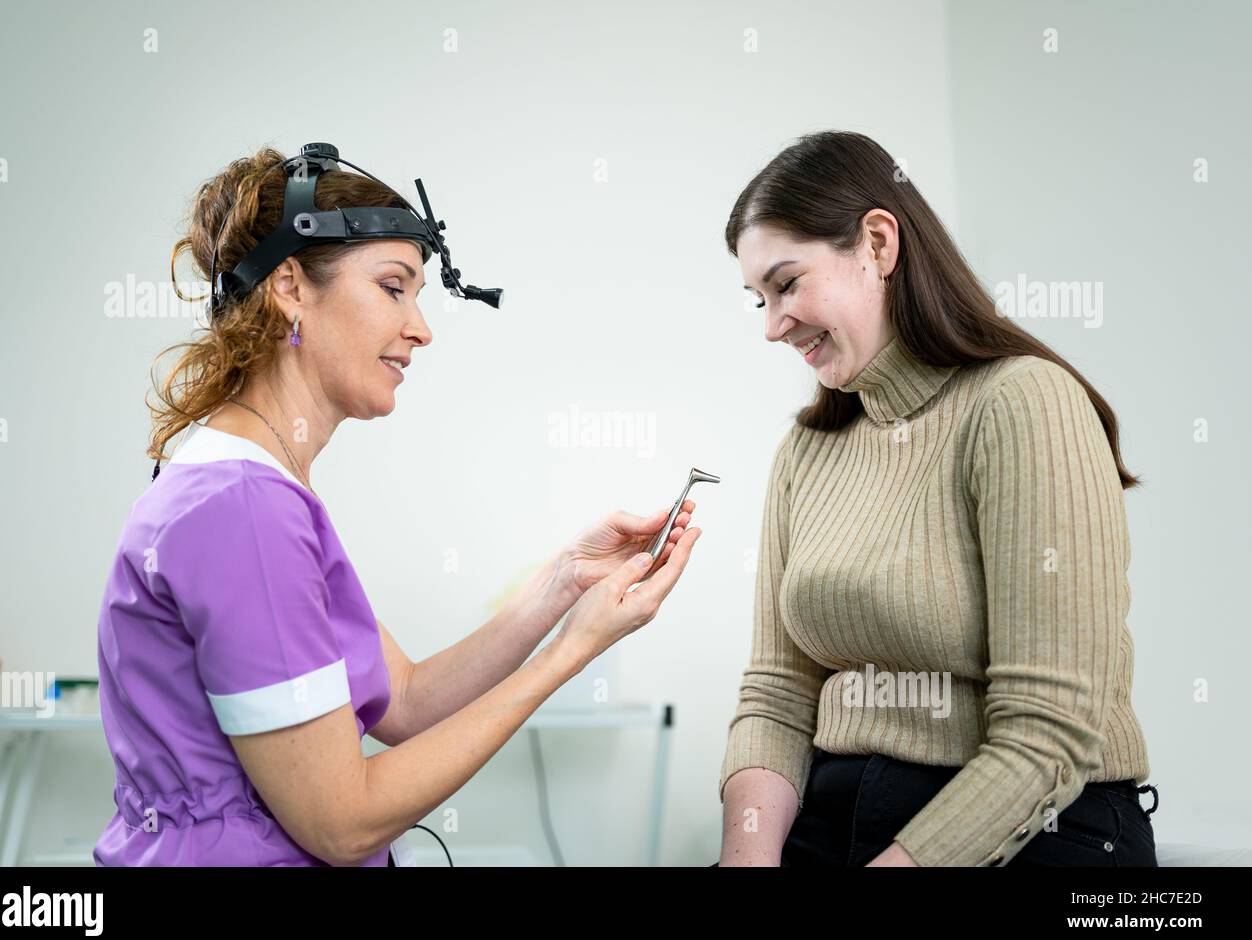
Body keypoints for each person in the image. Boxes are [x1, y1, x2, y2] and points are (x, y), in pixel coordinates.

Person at [93, 147, 701, 866]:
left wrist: (566, 580)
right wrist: (574, 651)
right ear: (289, 285)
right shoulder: (244, 510)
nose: (422, 327)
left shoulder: (256, 483)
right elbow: (341, 824)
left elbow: (405, 702)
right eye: (393, 287)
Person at [716, 131, 1159, 867]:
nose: (771, 326)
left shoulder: (1023, 403)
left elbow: (1047, 732)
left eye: (787, 284)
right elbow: (777, 694)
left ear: (878, 244)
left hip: (1030, 829)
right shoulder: (808, 449)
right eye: (758, 298)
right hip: (830, 820)